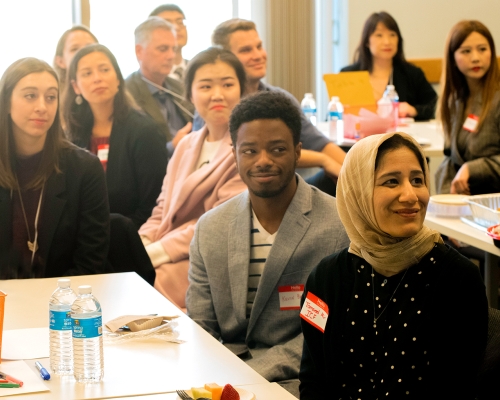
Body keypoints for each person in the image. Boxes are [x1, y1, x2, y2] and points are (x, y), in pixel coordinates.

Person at [299, 132, 488, 399]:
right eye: (391, 182)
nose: (411, 195)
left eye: (417, 180)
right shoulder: (326, 278)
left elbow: (458, 388)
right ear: (358, 192)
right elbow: (313, 381)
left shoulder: (457, 278)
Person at [187, 91, 349, 397]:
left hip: (300, 380)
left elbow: (327, 330)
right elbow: (201, 327)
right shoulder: (210, 229)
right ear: (233, 153)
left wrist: (246, 375)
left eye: (277, 149)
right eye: (249, 151)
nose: (263, 161)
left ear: (298, 151)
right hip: (220, 380)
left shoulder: (337, 226)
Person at [139, 47, 247, 308]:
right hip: (167, 249)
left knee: (150, 287)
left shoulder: (247, 147)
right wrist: (141, 244)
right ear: (190, 93)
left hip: (210, 255)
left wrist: (156, 253)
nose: (217, 95)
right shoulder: (186, 145)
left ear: (242, 90)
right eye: (206, 86)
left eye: (227, 84)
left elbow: (219, 224)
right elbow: (162, 209)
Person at [207, 18, 346, 195]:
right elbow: (244, 155)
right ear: (225, 59)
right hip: (241, 192)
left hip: (284, 187)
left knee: (340, 181)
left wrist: (360, 175)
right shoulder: (218, 103)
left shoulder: (279, 98)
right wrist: (323, 160)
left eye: (259, 46)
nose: (258, 55)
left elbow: (320, 143)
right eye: (246, 50)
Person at [0, 58, 109, 279]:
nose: (42, 106)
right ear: (6, 103)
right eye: (30, 96)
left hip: (63, 301)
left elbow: (90, 263)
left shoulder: (84, 169)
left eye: (51, 97)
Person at [64, 44, 168, 229]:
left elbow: (153, 204)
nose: (97, 78)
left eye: (104, 70)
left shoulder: (144, 131)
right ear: (76, 86)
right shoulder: (72, 135)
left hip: (131, 236)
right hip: (82, 236)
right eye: (87, 73)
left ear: (118, 78)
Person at [436, 20, 500, 195]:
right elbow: (451, 157)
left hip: (492, 200)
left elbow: (466, 166)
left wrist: (472, 169)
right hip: (462, 199)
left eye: (482, 49)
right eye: (466, 51)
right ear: (453, 58)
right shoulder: (454, 100)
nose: (475, 58)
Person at [341, 12, 437, 121]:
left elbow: (436, 106)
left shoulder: (412, 74)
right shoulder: (348, 75)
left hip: (401, 136)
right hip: (359, 136)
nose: (387, 42)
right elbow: (334, 114)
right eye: (379, 35)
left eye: (392, 35)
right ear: (367, 41)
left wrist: (414, 110)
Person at [126, 17, 194, 156]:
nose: (171, 56)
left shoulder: (180, 87)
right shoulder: (127, 93)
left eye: (173, 49)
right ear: (139, 51)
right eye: (163, 49)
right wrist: (173, 146)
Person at [53, 25, 98, 96]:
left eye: (89, 47)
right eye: (75, 49)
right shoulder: (54, 97)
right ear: (60, 61)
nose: (83, 52)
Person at [149, 4, 189, 82]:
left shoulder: (197, 68)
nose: (176, 28)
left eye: (180, 22)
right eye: (167, 24)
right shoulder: (151, 76)